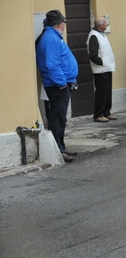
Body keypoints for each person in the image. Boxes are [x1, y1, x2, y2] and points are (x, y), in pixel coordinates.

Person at [36, 10, 78, 162]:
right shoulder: (51, 38)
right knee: (57, 118)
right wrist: (61, 83)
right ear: (59, 24)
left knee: (59, 117)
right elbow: (52, 64)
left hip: (59, 83)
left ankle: (60, 145)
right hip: (57, 85)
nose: (65, 24)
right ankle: (58, 151)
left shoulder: (53, 36)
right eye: (64, 22)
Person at [87, 16, 117, 122]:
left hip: (107, 68)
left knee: (107, 92)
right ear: (100, 25)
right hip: (101, 70)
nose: (107, 24)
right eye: (105, 22)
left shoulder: (102, 34)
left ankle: (106, 112)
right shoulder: (94, 36)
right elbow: (93, 55)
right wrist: (102, 63)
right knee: (101, 92)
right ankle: (98, 114)